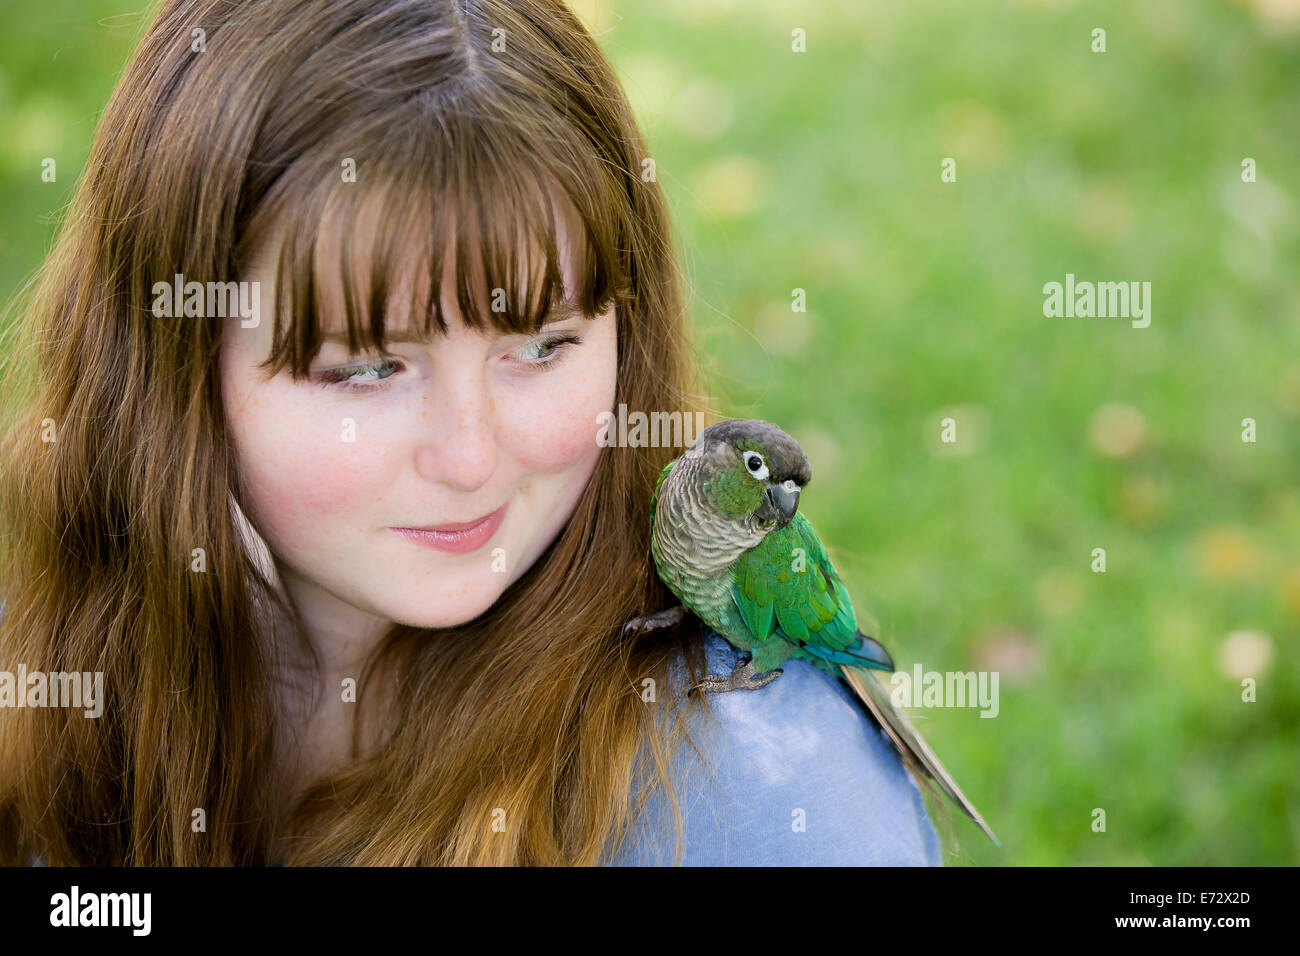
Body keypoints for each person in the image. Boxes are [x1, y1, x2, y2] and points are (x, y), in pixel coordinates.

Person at [0, 0, 942, 865]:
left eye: (540, 346)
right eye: (367, 369)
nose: (471, 458)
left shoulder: (764, 804)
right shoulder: (43, 653)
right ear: (170, 355)